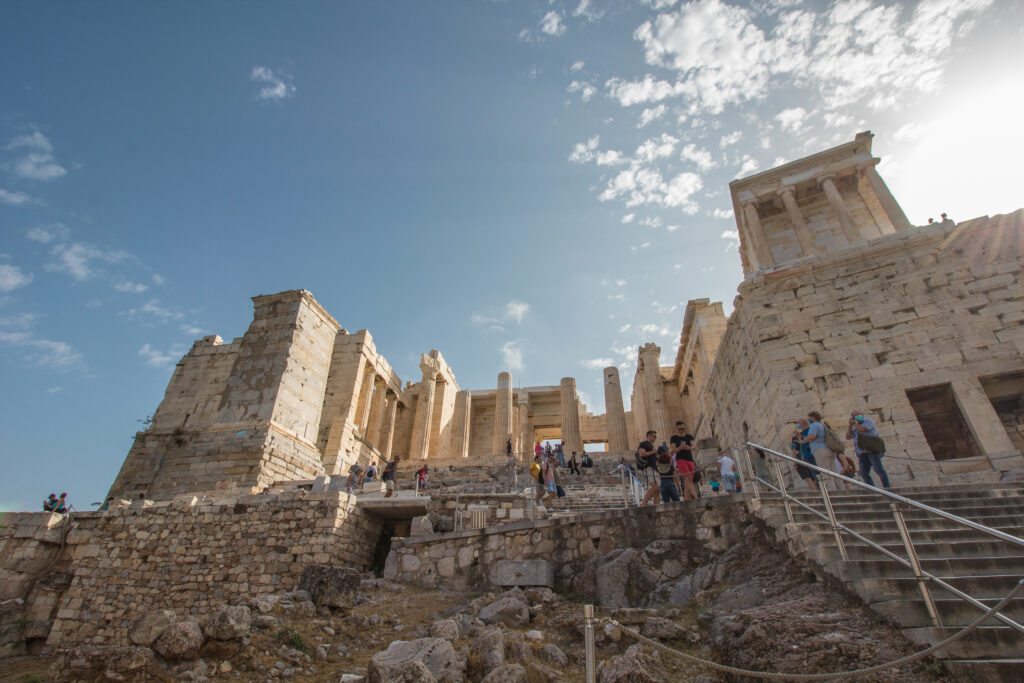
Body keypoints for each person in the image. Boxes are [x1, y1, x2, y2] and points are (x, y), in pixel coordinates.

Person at [846, 410, 890, 488]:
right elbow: (848, 437)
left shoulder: (868, 421)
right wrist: (850, 425)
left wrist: (855, 424)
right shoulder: (855, 427)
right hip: (862, 453)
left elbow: (864, 429)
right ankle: (872, 488)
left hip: (871, 450)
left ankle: (887, 487)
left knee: (878, 469)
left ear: (862, 414)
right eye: (854, 416)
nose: (857, 416)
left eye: (858, 414)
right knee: (863, 472)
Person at [803, 411, 836, 489]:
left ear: (813, 418)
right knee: (834, 471)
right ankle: (840, 488)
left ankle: (831, 490)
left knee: (825, 470)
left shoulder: (814, 425)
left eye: (809, 418)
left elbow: (812, 436)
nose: (809, 420)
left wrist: (804, 440)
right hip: (829, 449)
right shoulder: (822, 425)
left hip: (820, 450)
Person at [670, 421, 698, 500]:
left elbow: (694, 445)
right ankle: (696, 497)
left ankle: (686, 499)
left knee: (687, 480)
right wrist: (681, 448)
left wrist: (690, 448)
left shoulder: (689, 436)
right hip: (681, 460)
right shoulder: (674, 438)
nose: (681, 430)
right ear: (677, 428)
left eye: (683, 428)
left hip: (690, 460)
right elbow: (674, 450)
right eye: (680, 429)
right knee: (689, 478)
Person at [791, 419, 819, 490]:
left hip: (804, 460)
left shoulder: (794, 444)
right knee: (813, 476)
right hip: (806, 459)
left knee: (809, 478)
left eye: (798, 424)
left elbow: (794, 454)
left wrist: (795, 464)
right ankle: (818, 490)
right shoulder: (800, 442)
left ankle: (817, 492)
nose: (798, 426)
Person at [638, 431, 661, 505]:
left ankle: (656, 504)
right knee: (655, 487)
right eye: (654, 436)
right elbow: (642, 454)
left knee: (658, 488)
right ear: (649, 436)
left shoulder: (651, 445)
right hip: (648, 467)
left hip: (654, 467)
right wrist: (653, 452)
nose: (655, 438)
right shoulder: (644, 444)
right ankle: (643, 504)